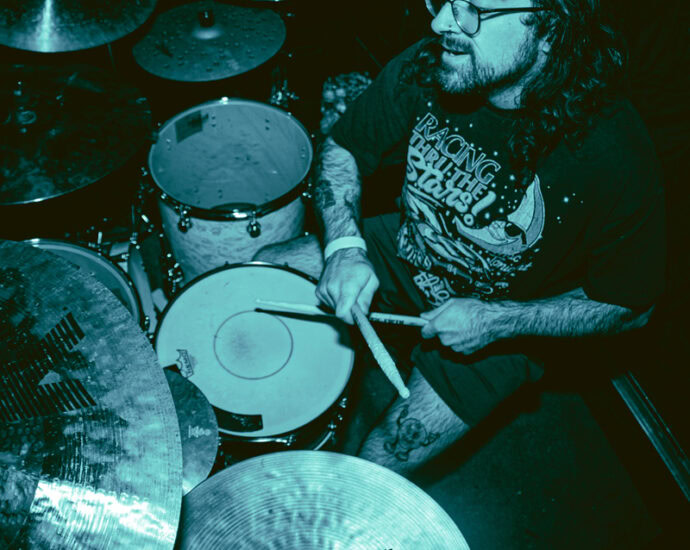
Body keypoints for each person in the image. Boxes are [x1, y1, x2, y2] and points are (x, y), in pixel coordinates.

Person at [254, 0, 666, 477]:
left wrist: (499, 321)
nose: (439, 23)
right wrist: (344, 247)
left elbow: (632, 306)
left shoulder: (614, 152)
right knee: (262, 274)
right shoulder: (433, 61)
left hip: (503, 316)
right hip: (406, 246)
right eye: (443, 1)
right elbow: (345, 145)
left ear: (550, 28)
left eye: (472, 10)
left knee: (379, 461)